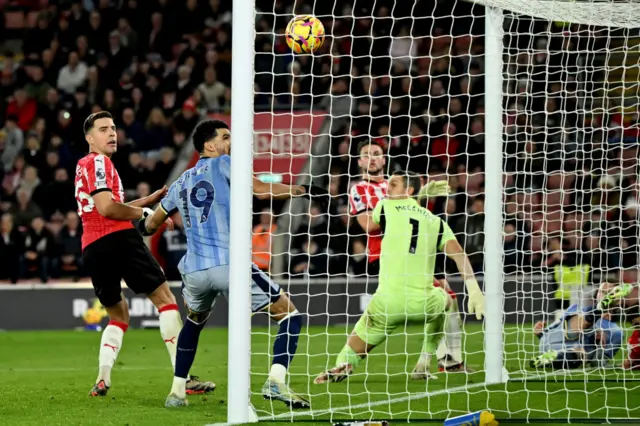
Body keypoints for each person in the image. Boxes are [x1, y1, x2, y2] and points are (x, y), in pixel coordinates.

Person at [141, 119, 329, 408]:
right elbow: (260, 190)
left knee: (194, 321)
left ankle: (177, 392)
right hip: (230, 265)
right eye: (225, 137)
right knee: (290, 316)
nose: (230, 142)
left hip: (193, 270)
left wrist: (140, 222)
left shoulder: (180, 181)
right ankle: (276, 382)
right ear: (209, 145)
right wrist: (301, 190)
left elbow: (151, 225)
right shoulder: (226, 162)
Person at [77, 112, 214, 397]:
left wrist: (144, 201)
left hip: (92, 247)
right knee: (165, 300)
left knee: (119, 315)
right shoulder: (98, 162)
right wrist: (147, 212)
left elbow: (107, 207)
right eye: (103, 130)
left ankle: (103, 377)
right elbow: (107, 209)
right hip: (117, 240)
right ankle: (183, 377)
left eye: (113, 128)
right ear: (89, 138)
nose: (111, 133)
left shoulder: (86, 166)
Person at [315, 172, 485, 383]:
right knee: (447, 300)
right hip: (423, 304)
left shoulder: (384, 206)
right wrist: (474, 288)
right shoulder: (436, 222)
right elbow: (459, 254)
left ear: (408, 190)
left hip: (386, 304)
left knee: (354, 346)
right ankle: (426, 361)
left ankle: (343, 364)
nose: (387, 188)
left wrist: (418, 194)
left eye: (393, 184)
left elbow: (375, 223)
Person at [348, 140, 469, 372]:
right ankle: (448, 362)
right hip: (385, 255)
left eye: (376, 154)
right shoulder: (359, 189)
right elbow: (368, 226)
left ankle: (449, 360)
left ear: (384, 159)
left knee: (446, 293)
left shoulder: (395, 184)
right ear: (360, 161)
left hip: (413, 252)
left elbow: (413, 215)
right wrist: (399, 202)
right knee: (441, 298)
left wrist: (420, 195)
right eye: (366, 155)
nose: (372, 158)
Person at [531, 303, 623, 369]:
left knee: (581, 352)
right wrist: (540, 332)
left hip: (565, 351)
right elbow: (556, 327)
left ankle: (549, 360)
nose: (604, 294)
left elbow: (598, 362)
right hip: (554, 337)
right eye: (602, 291)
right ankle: (595, 312)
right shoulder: (576, 308)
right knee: (580, 321)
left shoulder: (616, 332)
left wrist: (599, 348)